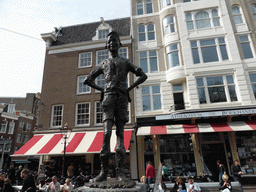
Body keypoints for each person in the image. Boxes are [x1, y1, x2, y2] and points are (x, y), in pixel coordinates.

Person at [84, 31, 147, 182]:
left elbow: (143, 75)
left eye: (115, 41)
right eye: (109, 41)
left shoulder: (125, 62)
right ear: (106, 45)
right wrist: (102, 89)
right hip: (108, 98)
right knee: (106, 134)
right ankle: (104, 172)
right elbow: (87, 79)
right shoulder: (103, 63)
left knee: (120, 135)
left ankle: (120, 173)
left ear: (119, 44)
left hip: (122, 98)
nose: (112, 43)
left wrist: (129, 88)